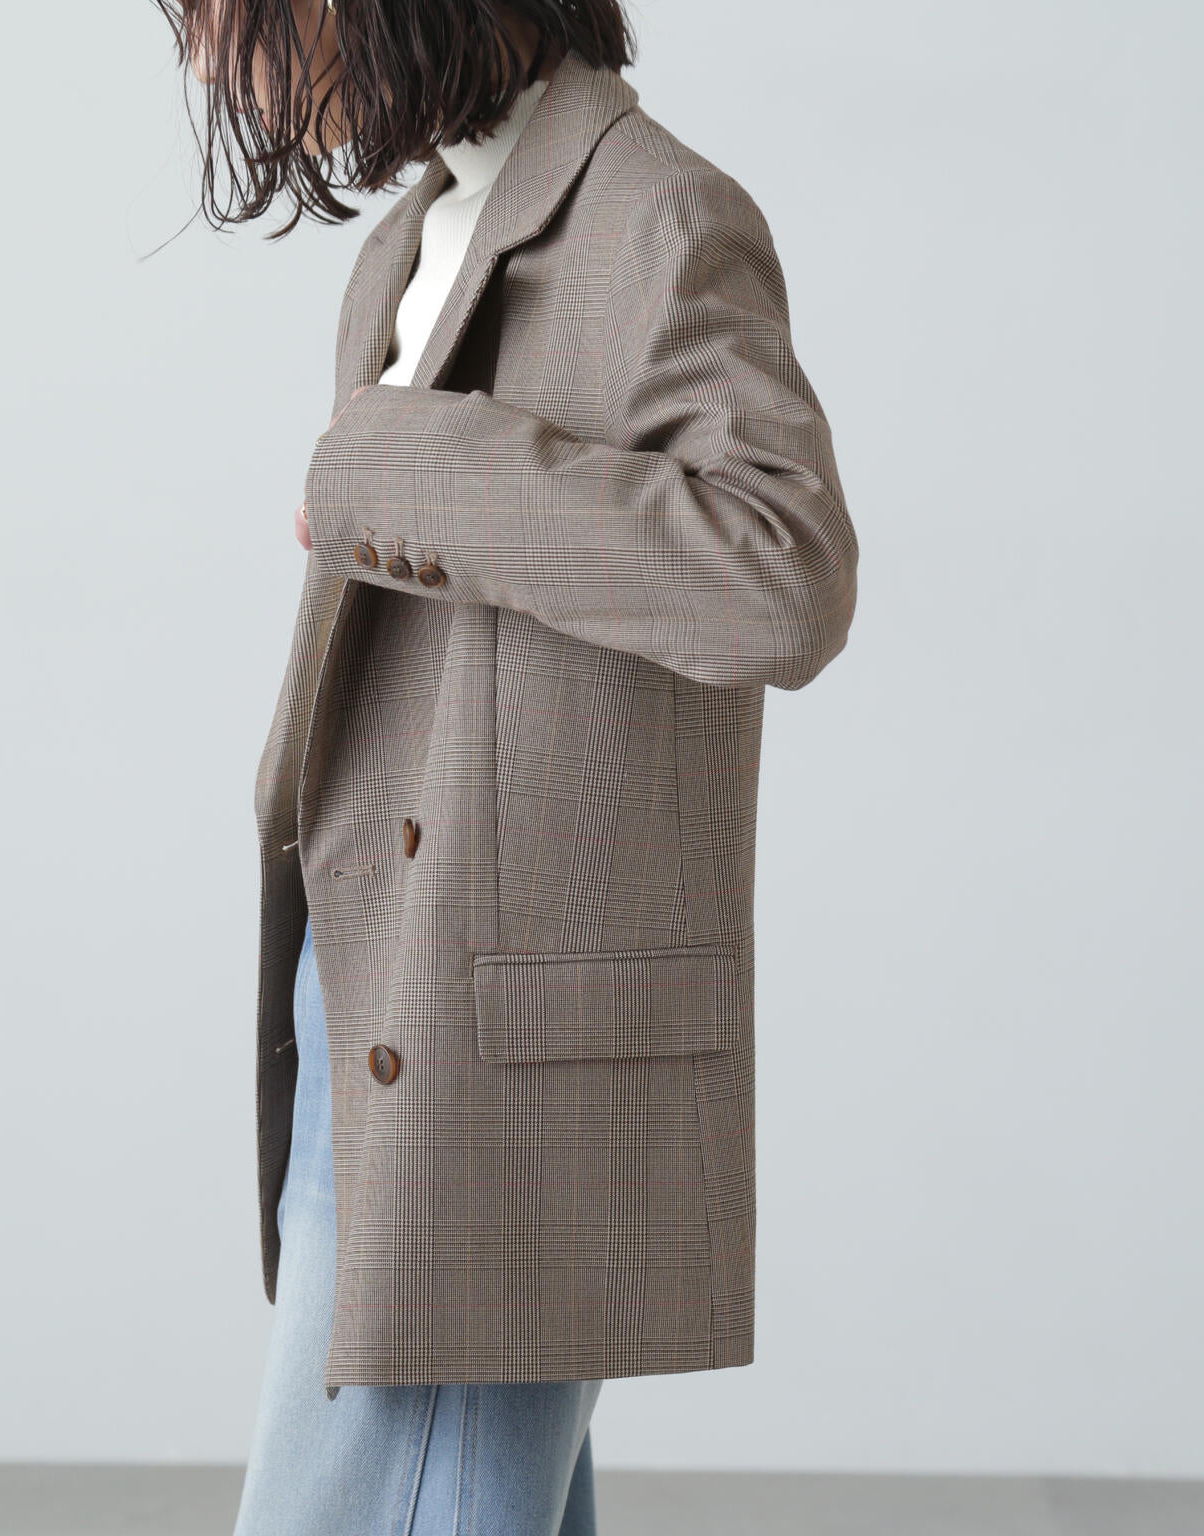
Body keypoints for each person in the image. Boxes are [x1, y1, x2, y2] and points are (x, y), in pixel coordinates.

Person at [152, 2, 859, 1532]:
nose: (209, 61)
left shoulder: (661, 214)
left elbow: (786, 578)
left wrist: (421, 466)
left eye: (228, 13)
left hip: (493, 1052)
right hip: (372, 992)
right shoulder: (410, 241)